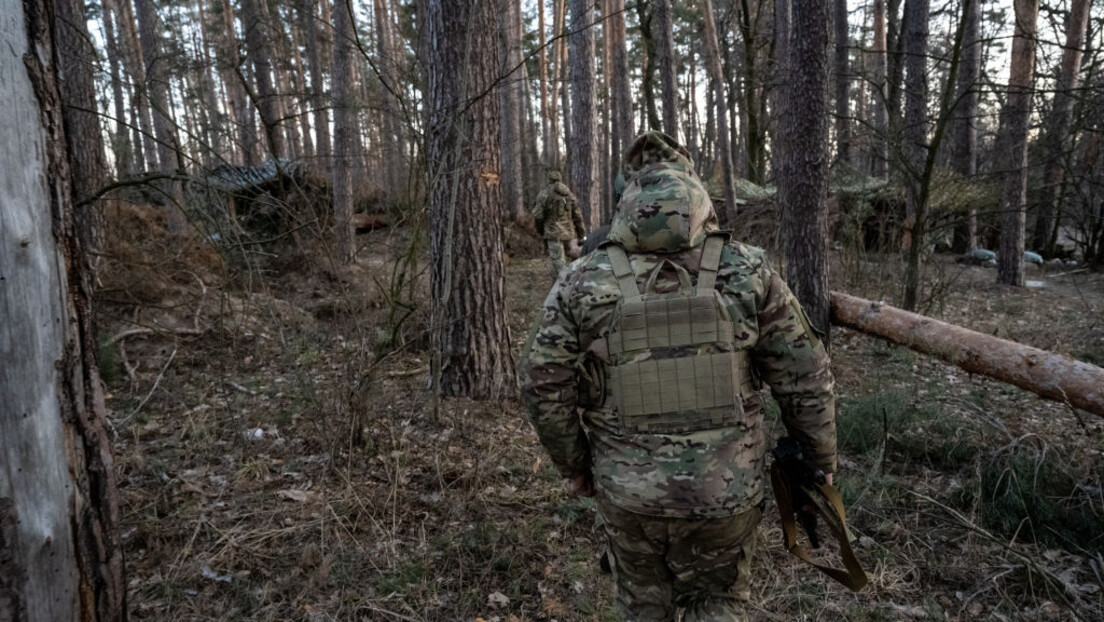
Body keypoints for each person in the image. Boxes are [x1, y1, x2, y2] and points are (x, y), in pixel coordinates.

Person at [519, 131, 836, 621]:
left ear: (628, 198)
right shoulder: (749, 271)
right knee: (721, 603)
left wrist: (576, 465)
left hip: (628, 494)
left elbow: (542, 383)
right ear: (696, 194)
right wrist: (818, 462)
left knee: (642, 604)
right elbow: (806, 377)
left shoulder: (583, 278)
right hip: (726, 496)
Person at [533, 169, 585, 275]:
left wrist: (541, 231)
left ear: (549, 180)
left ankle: (565, 290)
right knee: (562, 267)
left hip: (553, 235)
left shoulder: (544, 194)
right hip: (569, 235)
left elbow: (538, 216)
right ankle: (560, 288)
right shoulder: (569, 195)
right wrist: (581, 236)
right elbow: (578, 217)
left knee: (560, 269)